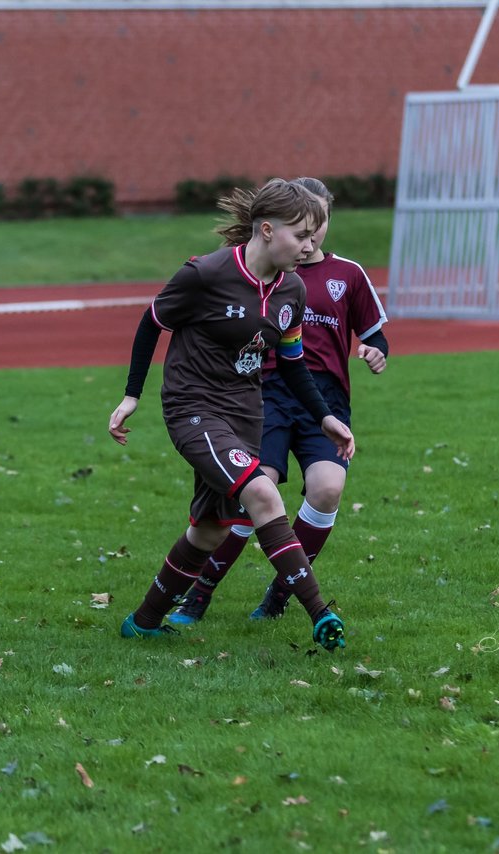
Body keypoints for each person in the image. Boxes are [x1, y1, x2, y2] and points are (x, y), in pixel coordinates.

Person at [107, 178, 353, 651]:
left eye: (312, 237)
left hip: (245, 414)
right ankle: (320, 613)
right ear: (265, 230)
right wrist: (131, 395)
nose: (309, 246)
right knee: (262, 492)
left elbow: (293, 362)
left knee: (210, 530)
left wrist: (324, 416)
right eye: (300, 236)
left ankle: (143, 621)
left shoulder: (292, 291)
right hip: (193, 410)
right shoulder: (206, 274)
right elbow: (151, 322)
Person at [167, 177, 389, 626]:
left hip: (322, 397)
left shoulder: (347, 274)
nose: (311, 235)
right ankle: (199, 593)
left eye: (318, 224)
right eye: (304, 226)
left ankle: (283, 590)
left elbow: (373, 333)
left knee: (327, 489)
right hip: (263, 393)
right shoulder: (267, 271)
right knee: (255, 491)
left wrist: (374, 349)